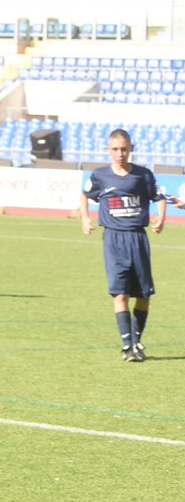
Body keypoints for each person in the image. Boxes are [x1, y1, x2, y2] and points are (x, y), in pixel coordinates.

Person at [80, 128, 167, 362]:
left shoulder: (143, 175)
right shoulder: (99, 176)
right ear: (108, 150)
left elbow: (159, 197)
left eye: (124, 149)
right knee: (120, 293)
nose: (120, 153)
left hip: (138, 237)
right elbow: (85, 195)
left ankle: (137, 341)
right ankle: (127, 345)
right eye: (116, 149)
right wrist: (85, 218)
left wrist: (161, 218)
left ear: (131, 149)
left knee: (144, 294)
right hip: (113, 238)